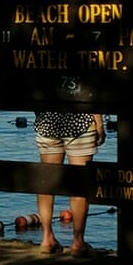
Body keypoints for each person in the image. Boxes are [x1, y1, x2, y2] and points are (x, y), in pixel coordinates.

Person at [33, 108, 105, 256]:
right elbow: (90, 96)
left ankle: (47, 238)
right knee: (79, 183)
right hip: (81, 123)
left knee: (47, 182)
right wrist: (99, 124)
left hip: (47, 123)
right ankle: (78, 242)